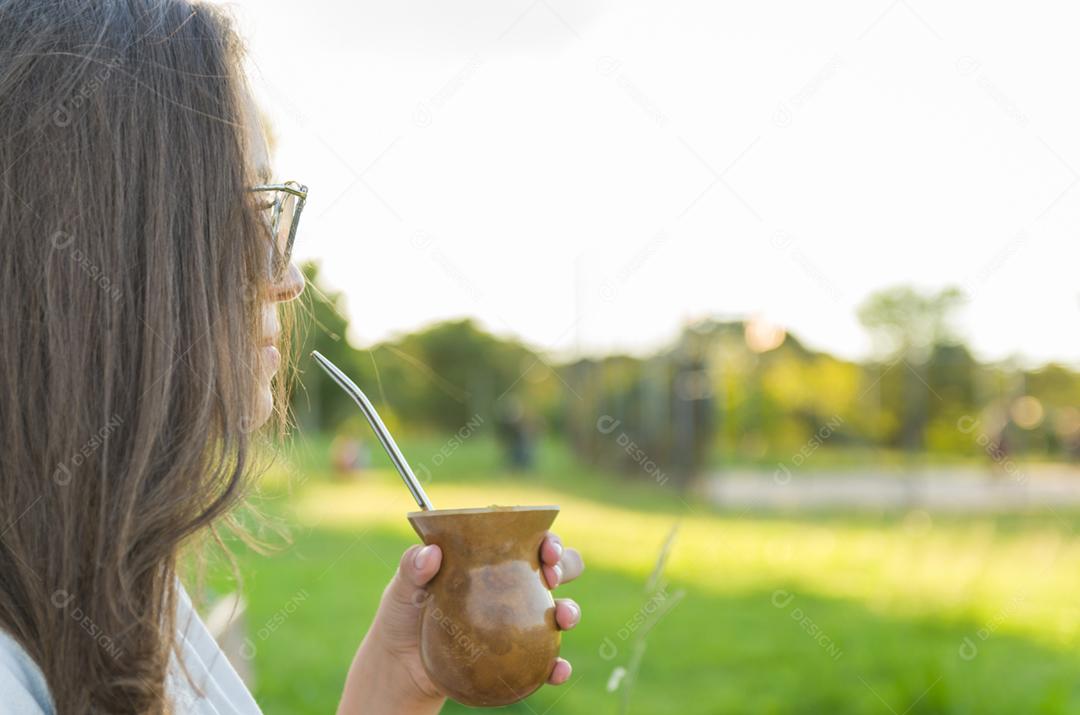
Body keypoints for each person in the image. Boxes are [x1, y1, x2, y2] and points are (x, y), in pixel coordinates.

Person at [0, 2, 584, 713]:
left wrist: (396, 684)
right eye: (243, 216)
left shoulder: (124, 590)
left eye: (272, 214)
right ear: (108, 243)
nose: (285, 277)